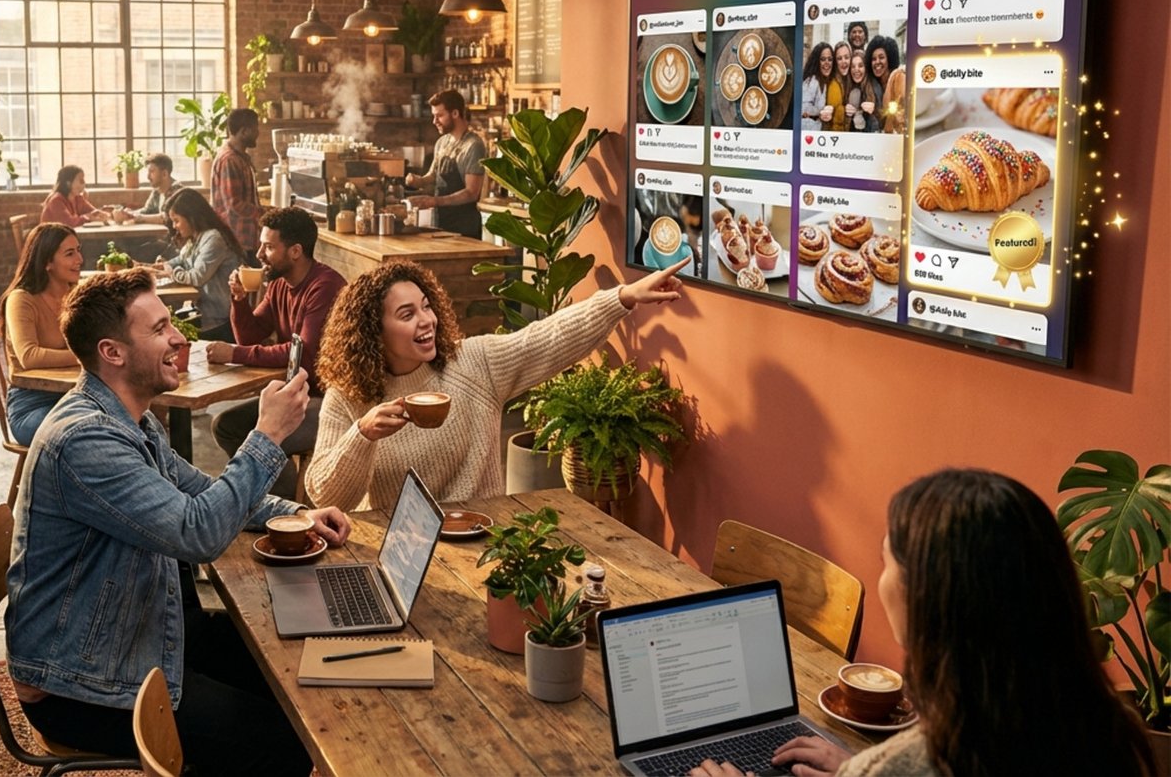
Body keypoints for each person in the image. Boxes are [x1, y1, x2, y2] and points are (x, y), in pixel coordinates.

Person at [4, 268, 349, 775]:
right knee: (283, 740)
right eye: (159, 328)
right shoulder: (85, 441)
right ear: (112, 352)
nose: (177, 339)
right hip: (82, 678)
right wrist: (267, 436)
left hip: (140, 629)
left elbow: (204, 494)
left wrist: (296, 512)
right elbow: (198, 532)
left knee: (295, 671)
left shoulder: (131, 420)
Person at [691, 469, 1154, 777]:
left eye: (887, 559)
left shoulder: (929, 759)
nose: (883, 574)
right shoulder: (1110, 729)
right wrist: (860, 766)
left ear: (925, 599)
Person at [307, 258, 688, 510]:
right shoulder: (348, 396)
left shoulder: (472, 363)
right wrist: (363, 434)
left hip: (484, 539)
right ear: (374, 333)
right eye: (407, 314)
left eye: (426, 306)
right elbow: (326, 496)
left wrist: (622, 298)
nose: (427, 320)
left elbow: (548, 338)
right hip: (400, 554)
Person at [209, 207, 348, 498]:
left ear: (296, 251)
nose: (259, 254)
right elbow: (250, 334)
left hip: (332, 399)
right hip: (298, 393)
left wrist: (234, 354)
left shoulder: (326, 287)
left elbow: (303, 354)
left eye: (269, 247)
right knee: (226, 425)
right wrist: (239, 300)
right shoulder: (279, 285)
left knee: (269, 438)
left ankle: (282, 511)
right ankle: (269, 499)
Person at [0, 223, 84, 445]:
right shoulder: (21, 299)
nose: (79, 259)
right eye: (69, 253)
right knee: (85, 433)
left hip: (75, 396)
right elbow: (29, 356)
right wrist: (86, 355)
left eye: (78, 250)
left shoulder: (77, 295)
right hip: (32, 403)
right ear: (47, 262)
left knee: (137, 421)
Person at [148, 188, 243, 342]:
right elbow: (180, 260)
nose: (174, 226)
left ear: (191, 217)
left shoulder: (214, 238)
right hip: (203, 312)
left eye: (176, 220)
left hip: (219, 320)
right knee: (161, 328)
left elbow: (197, 277)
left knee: (163, 336)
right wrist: (153, 268)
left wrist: (171, 271)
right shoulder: (197, 237)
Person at [405, 89, 485, 239]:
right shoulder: (442, 142)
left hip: (465, 228)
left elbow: (471, 193)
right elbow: (434, 175)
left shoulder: (473, 145)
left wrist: (434, 201)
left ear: (455, 113)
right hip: (441, 224)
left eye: (439, 116)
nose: (434, 121)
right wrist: (418, 181)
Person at [210, 107, 263, 255]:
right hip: (237, 239)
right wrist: (264, 213)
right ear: (244, 131)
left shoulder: (239, 157)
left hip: (243, 239)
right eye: (255, 129)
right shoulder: (230, 160)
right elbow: (235, 205)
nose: (258, 133)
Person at [113, 152, 184, 226]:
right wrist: (128, 214)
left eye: (152, 172)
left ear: (164, 174)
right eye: (148, 172)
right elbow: (147, 211)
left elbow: (167, 217)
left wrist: (138, 217)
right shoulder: (157, 190)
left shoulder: (178, 192)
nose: (148, 177)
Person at [866, 35, 909, 134]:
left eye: (881, 57)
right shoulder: (872, 85)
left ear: (889, 59)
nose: (877, 62)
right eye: (873, 59)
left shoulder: (899, 76)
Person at [39, 165, 107, 227]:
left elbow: (94, 213)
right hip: (51, 239)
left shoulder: (78, 198)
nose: (84, 183)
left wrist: (103, 215)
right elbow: (69, 223)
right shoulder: (56, 200)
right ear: (68, 183)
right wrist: (88, 217)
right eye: (81, 180)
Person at [800, 42, 836, 131]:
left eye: (830, 59)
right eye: (823, 59)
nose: (827, 63)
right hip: (806, 131)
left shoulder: (824, 82)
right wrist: (820, 113)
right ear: (816, 61)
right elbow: (803, 107)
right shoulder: (812, 80)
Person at [844, 50, 880, 133]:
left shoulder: (874, 86)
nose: (856, 70)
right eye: (853, 66)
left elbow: (884, 114)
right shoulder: (847, 87)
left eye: (860, 66)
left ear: (866, 68)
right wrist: (844, 111)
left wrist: (874, 110)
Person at [823, 42, 853, 132]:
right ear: (835, 62)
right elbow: (836, 123)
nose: (844, 61)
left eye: (846, 57)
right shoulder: (834, 85)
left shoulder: (850, 78)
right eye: (839, 58)